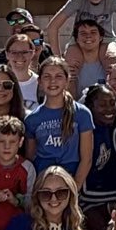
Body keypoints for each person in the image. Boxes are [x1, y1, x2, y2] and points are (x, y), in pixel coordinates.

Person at [24, 57, 94, 188]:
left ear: (67, 80)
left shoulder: (82, 113)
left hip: (71, 180)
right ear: (39, 81)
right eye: (47, 77)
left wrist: (75, 187)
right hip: (43, 183)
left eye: (59, 76)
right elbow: (30, 159)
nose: (52, 81)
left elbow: (86, 159)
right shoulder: (32, 119)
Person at [82, 84, 116, 230]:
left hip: (105, 197)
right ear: (90, 107)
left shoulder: (110, 130)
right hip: (86, 201)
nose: (109, 109)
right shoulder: (87, 136)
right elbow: (84, 192)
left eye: (112, 103)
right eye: (102, 105)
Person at [65, 20, 116, 93]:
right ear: (77, 39)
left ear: (100, 38)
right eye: (83, 33)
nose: (88, 36)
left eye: (93, 32)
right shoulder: (70, 67)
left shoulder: (110, 65)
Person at [3, 34, 42, 109]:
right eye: (14, 52)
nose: (20, 56)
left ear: (32, 53)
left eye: (24, 52)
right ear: (7, 54)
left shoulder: (41, 84)